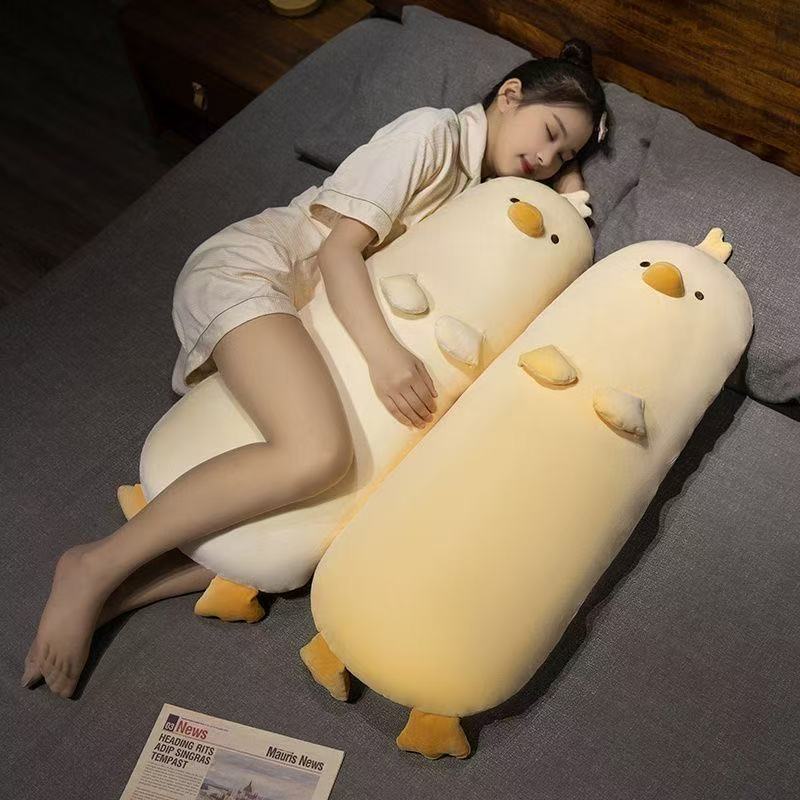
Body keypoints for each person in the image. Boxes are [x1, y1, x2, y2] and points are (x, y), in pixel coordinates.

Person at [21, 38, 610, 698]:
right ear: (509, 95)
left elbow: (552, 227)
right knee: (317, 452)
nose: (548, 160)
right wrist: (386, 359)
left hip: (312, 322)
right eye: (550, 134)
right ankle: (94, 566)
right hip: (258, 275)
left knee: (317, 525)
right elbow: (337, 253)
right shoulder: (432, 134)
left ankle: (121, 598)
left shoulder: (482, 195)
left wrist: (569, 180)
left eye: (564, 156)